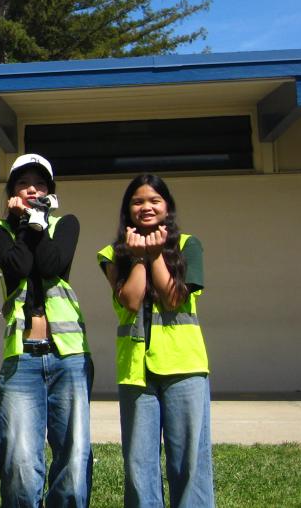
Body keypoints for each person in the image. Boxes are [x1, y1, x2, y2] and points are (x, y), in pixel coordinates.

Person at [98, 174, 213, 507]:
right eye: (137, 201)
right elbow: (131, 300)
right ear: (127, 209)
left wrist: (155, 254)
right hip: (136, 372)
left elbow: (174, 298)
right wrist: (137, 257)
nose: (146, 207)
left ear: (167, 206)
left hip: (184, 366)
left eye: (154, 200)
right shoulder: (111, 254)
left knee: (189, 462)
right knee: (139, 465)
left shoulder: (189, 244)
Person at [0, 154, 92, 507]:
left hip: (68, 356)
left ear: (50, 191)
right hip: (23, 357)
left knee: (73, 456)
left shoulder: (66, 224)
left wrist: (37, 222)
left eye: (40, 184)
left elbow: (51, 262)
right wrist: (22, 224)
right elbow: (19, 265)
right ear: (11, 191)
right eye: (23, 183)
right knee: (19, 458)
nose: (32, 188)